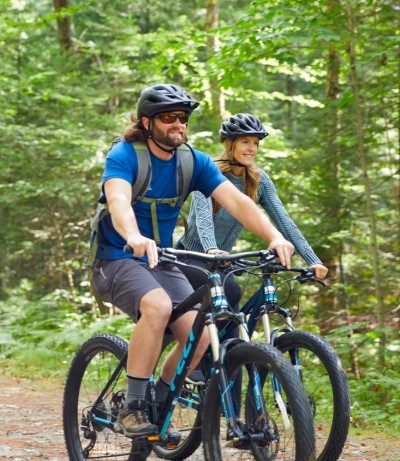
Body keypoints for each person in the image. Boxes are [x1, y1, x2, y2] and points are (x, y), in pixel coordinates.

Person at [90, 85, 295, 439]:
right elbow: (118, 200)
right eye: (168, 117)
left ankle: (160, 398)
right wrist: (134, 235)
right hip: (116, 258)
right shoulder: (125, 156)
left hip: (162, 258)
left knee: (199, 335)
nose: (177, 124)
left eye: (182, 118)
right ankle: (133, 408)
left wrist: (275, 237)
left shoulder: (192, 161)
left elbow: (239, 203)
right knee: (157, 306)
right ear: (146, 121)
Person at [175, 113, 328, 421]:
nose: (252, 148)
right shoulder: (210, 173)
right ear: (230, 144)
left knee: (236, 337)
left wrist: (313, 260)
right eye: (246, 142)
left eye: (256, 143)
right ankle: (198, 361)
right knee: (230, 288)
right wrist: (211, 249)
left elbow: (284, 223)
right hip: (191, 258)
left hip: (222, 262)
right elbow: (201, 219)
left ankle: (235, 418)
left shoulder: (258, 180)